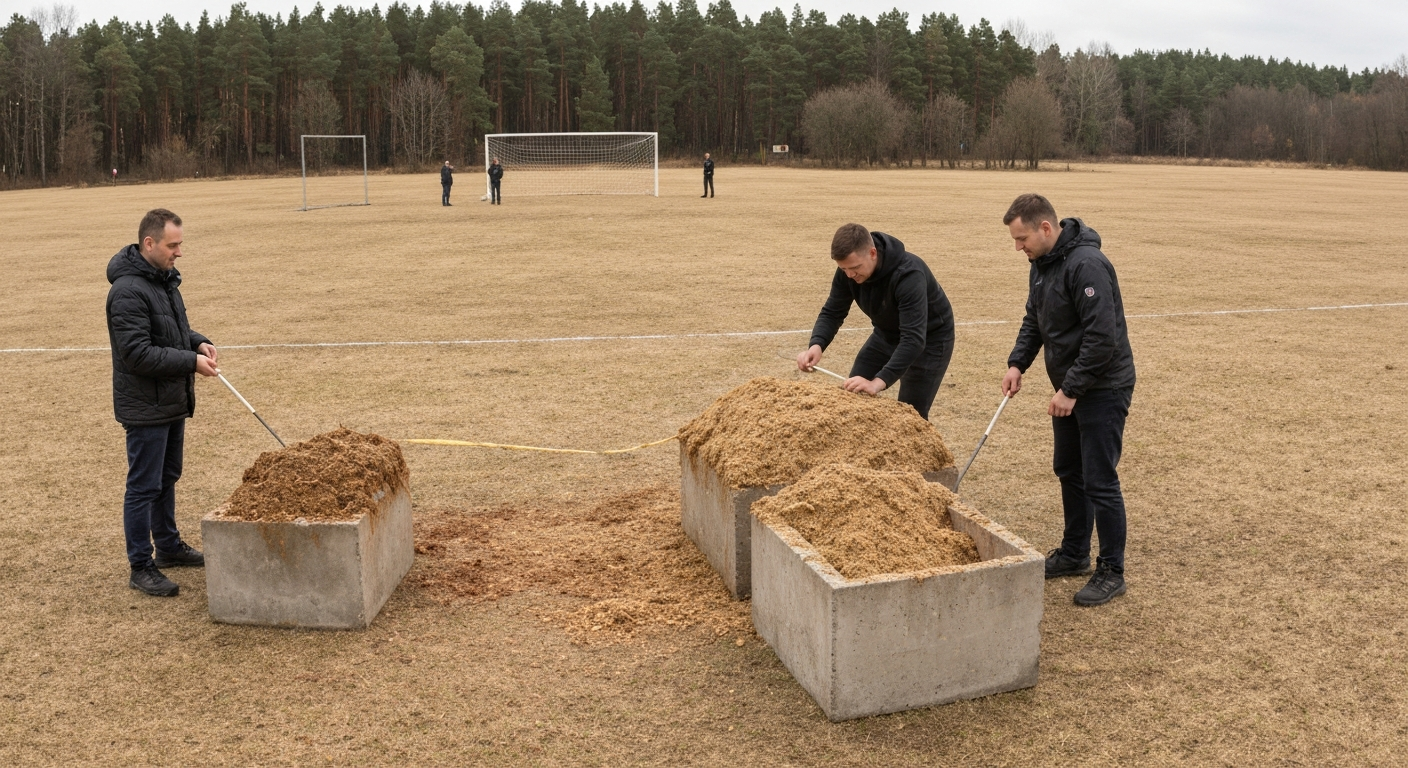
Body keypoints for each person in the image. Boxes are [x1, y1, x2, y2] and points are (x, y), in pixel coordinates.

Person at [1000, 193, 1136, 607]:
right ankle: (1075, 552)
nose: (1017, 247)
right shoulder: (1041, 266)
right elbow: (1034, 320)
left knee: (1099, 479)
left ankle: (1111, 569)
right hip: (1071, 390)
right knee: (1069, 470)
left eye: (1022, 238)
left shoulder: (1086, 265)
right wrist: (1017, 363)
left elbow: (1102, 340)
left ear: (1046, 228)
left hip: (1101, 388)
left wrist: (1070, 390)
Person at [106, 208, 219, 597]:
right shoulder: (126, 291)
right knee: (143, 486)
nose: (179, 253)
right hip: (145, 406)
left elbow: (174, 330)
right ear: (149, 243)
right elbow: (137, 353)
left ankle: (168, 546)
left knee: (167, 478)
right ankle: (141, 565)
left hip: (169, 400)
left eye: (180, 245)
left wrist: (196, 341)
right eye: (173, 246)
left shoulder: (165, 280)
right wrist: (191, 362)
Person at [798, 223, 955, 420]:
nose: (849, 275)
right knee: (853, 398)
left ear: (873, 253)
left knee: (909, 416)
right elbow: (832, 312)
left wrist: (878, 382)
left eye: (855, 268)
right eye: (843, 268)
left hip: (930, 339)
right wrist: (817, 344)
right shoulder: (848, 272)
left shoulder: (908, 275)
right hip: (886, 334)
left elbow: (913, 339)